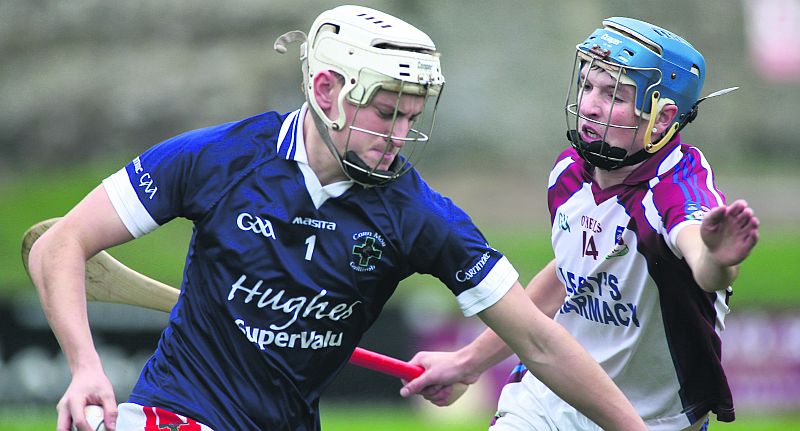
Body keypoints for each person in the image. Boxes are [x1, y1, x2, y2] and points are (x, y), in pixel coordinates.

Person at [26, 6, 647, 431]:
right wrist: (85, 367)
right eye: (384, 113)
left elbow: (538, 339)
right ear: (326, 90)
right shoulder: (221, 158)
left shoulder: (418, 216)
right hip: (177, 412)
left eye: (410, 116)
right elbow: (59, 245)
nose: (400, 135)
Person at [400, 16, 760, 431]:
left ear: (661, 118)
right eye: (588, 86)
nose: (590, 104)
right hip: (550, 399)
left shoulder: (677, 188)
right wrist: (467, 363)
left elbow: (704, 263)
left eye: (613, 95)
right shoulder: (569, 174)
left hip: (655, 419)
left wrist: (719, 257)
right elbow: (570, 276)